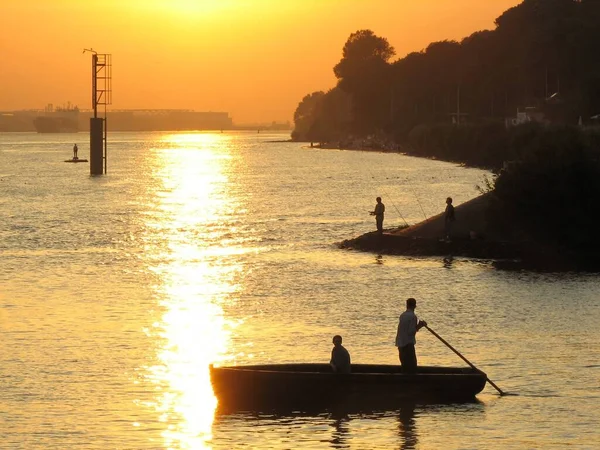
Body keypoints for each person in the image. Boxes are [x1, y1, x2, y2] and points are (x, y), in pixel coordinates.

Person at [395, 298, 427, 373]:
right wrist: (420, 325)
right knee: (412, 367)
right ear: (415, 306)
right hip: (408, 345)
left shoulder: (402, 315)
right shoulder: (413, 316)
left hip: (400, 344)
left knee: (404, 366)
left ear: (407, 305)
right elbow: (411, 332)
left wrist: (418, 325)